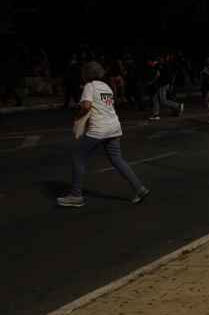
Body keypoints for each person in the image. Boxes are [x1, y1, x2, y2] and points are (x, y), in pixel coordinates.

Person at [57, 61, 150, 207]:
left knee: (78, 157)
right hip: (114, 127)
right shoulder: (106, 87)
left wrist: (78, 116)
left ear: (86, 74)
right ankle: (139, 188)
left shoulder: (90, 86)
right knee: (118, 159)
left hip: (99, 129)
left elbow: (87, 106)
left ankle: (76, 195)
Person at [148, 55, 184, 120]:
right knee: (155, 98)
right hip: (165, 84)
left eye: (150, 63)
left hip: (163, 84)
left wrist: (152, 82)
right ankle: (156, 115)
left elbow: (158, 75)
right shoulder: (162, 64)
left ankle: (178, 106)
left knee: (163, 100)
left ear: (153, 61)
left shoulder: (158, 65)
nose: (149, 64)